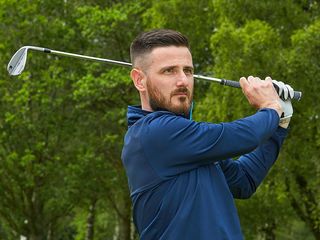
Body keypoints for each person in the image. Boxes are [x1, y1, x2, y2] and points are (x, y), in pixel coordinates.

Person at [121, 29, 293, 240]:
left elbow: (244, 180)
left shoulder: (188, 147)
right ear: (139, 80)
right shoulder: (152, 133)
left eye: (188, 70)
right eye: (169, 71)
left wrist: (280, 124)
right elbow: (243, 136)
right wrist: (271, 107)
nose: (183, 80)